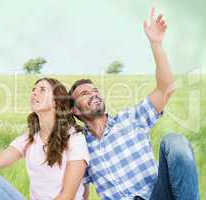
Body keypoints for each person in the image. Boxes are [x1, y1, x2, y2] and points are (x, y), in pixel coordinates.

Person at [68, 8, 199, 200]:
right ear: (74, 110)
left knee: (174, 142)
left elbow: (166, 88)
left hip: (157, 196)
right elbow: (79, 191)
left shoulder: (131, 119)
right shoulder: (80, 146)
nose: (94, 95)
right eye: (85, 94)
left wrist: (156, 44)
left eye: (95, 91)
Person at [0, 77, 89, 200]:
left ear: (57, 102)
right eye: (33, 89)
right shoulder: (29, 138)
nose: (34, 93)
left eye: (42, 90)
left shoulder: (75, 139)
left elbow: (67, 196)